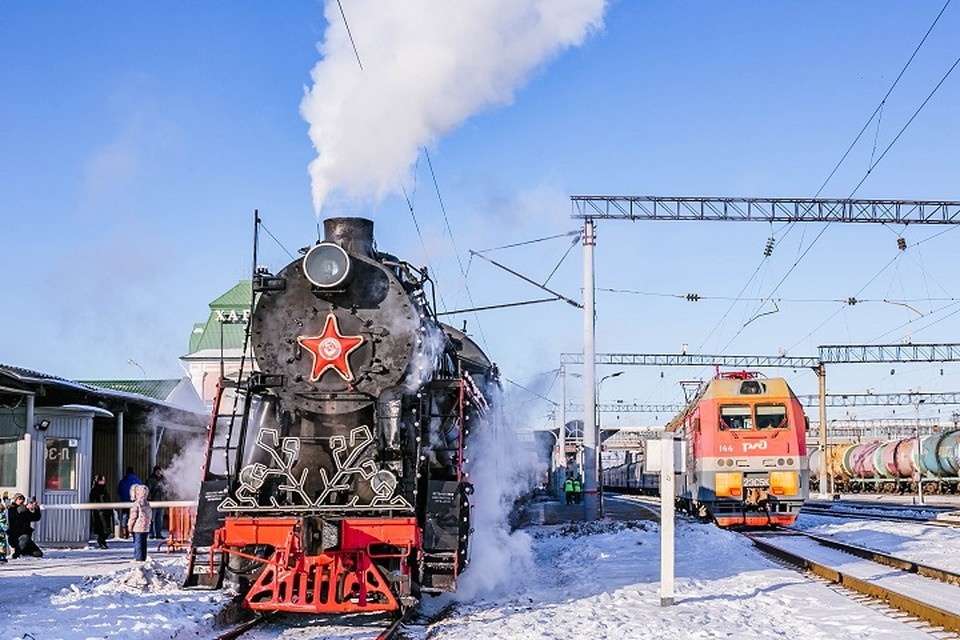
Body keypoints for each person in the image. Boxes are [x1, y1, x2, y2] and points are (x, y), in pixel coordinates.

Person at [8, 493, 43, 558]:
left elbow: (36, 517)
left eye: (23, 499)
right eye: (19, 499)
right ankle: (16, 554)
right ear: (15, 500)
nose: (21, 500)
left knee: (38, 554)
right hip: (15, 538)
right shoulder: (11, 509)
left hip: (26, 540)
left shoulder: (25, 511)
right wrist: (26, 507)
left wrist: (36, 508)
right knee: (25, 537)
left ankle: (22, 550)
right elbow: (18, 511)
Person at [127, 484, 152, 562]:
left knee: (138, 544)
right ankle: (143, 557)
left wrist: (130, 526)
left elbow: (133, 516)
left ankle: (138, 558)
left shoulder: (136, 504)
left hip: (137, 527)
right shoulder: (147, 503)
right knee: (144, 544)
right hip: (146, 527)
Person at [89, 474, 113, 549]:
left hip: (106, 512)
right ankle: (101, 541)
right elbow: (94, 501)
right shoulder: (95, 491)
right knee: (104, 529)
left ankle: (102, 541)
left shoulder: (104, 490)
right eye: (101, 480)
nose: (103, 482)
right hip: (100, 513)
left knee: (107, 530)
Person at [117, 466, 141, 538]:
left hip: (124, 501)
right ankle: (133, 532)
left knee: (125, 516)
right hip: (134, 502)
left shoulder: (122, 482)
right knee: (134, 516)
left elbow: (119, 491)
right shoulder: (137, 481)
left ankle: (124, 533)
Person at [145, 466, 166, 539]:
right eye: (157, 471)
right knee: (152, 518)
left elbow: (166, 490)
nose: (159, 473)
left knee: (159, 519)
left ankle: (158, 533)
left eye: (159, 471)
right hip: (153, 502)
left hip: (161, 502)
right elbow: (148, 491)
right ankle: (151, 533)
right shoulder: (151, 480)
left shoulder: (163, 480)